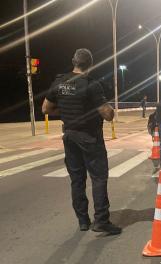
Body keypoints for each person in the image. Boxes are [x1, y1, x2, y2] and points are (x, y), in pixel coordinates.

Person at [42, 48, 121, 235]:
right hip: (90, 138)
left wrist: (66, 113)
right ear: (91, 64)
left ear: (73, 61)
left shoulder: (60, 82)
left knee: (77, 180)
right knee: (99, 178)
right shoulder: (91, 84)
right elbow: (107, 115)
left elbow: (46, 109)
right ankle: (101, 221)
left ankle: (83, 221)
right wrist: (108, 109)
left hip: (69, 136)